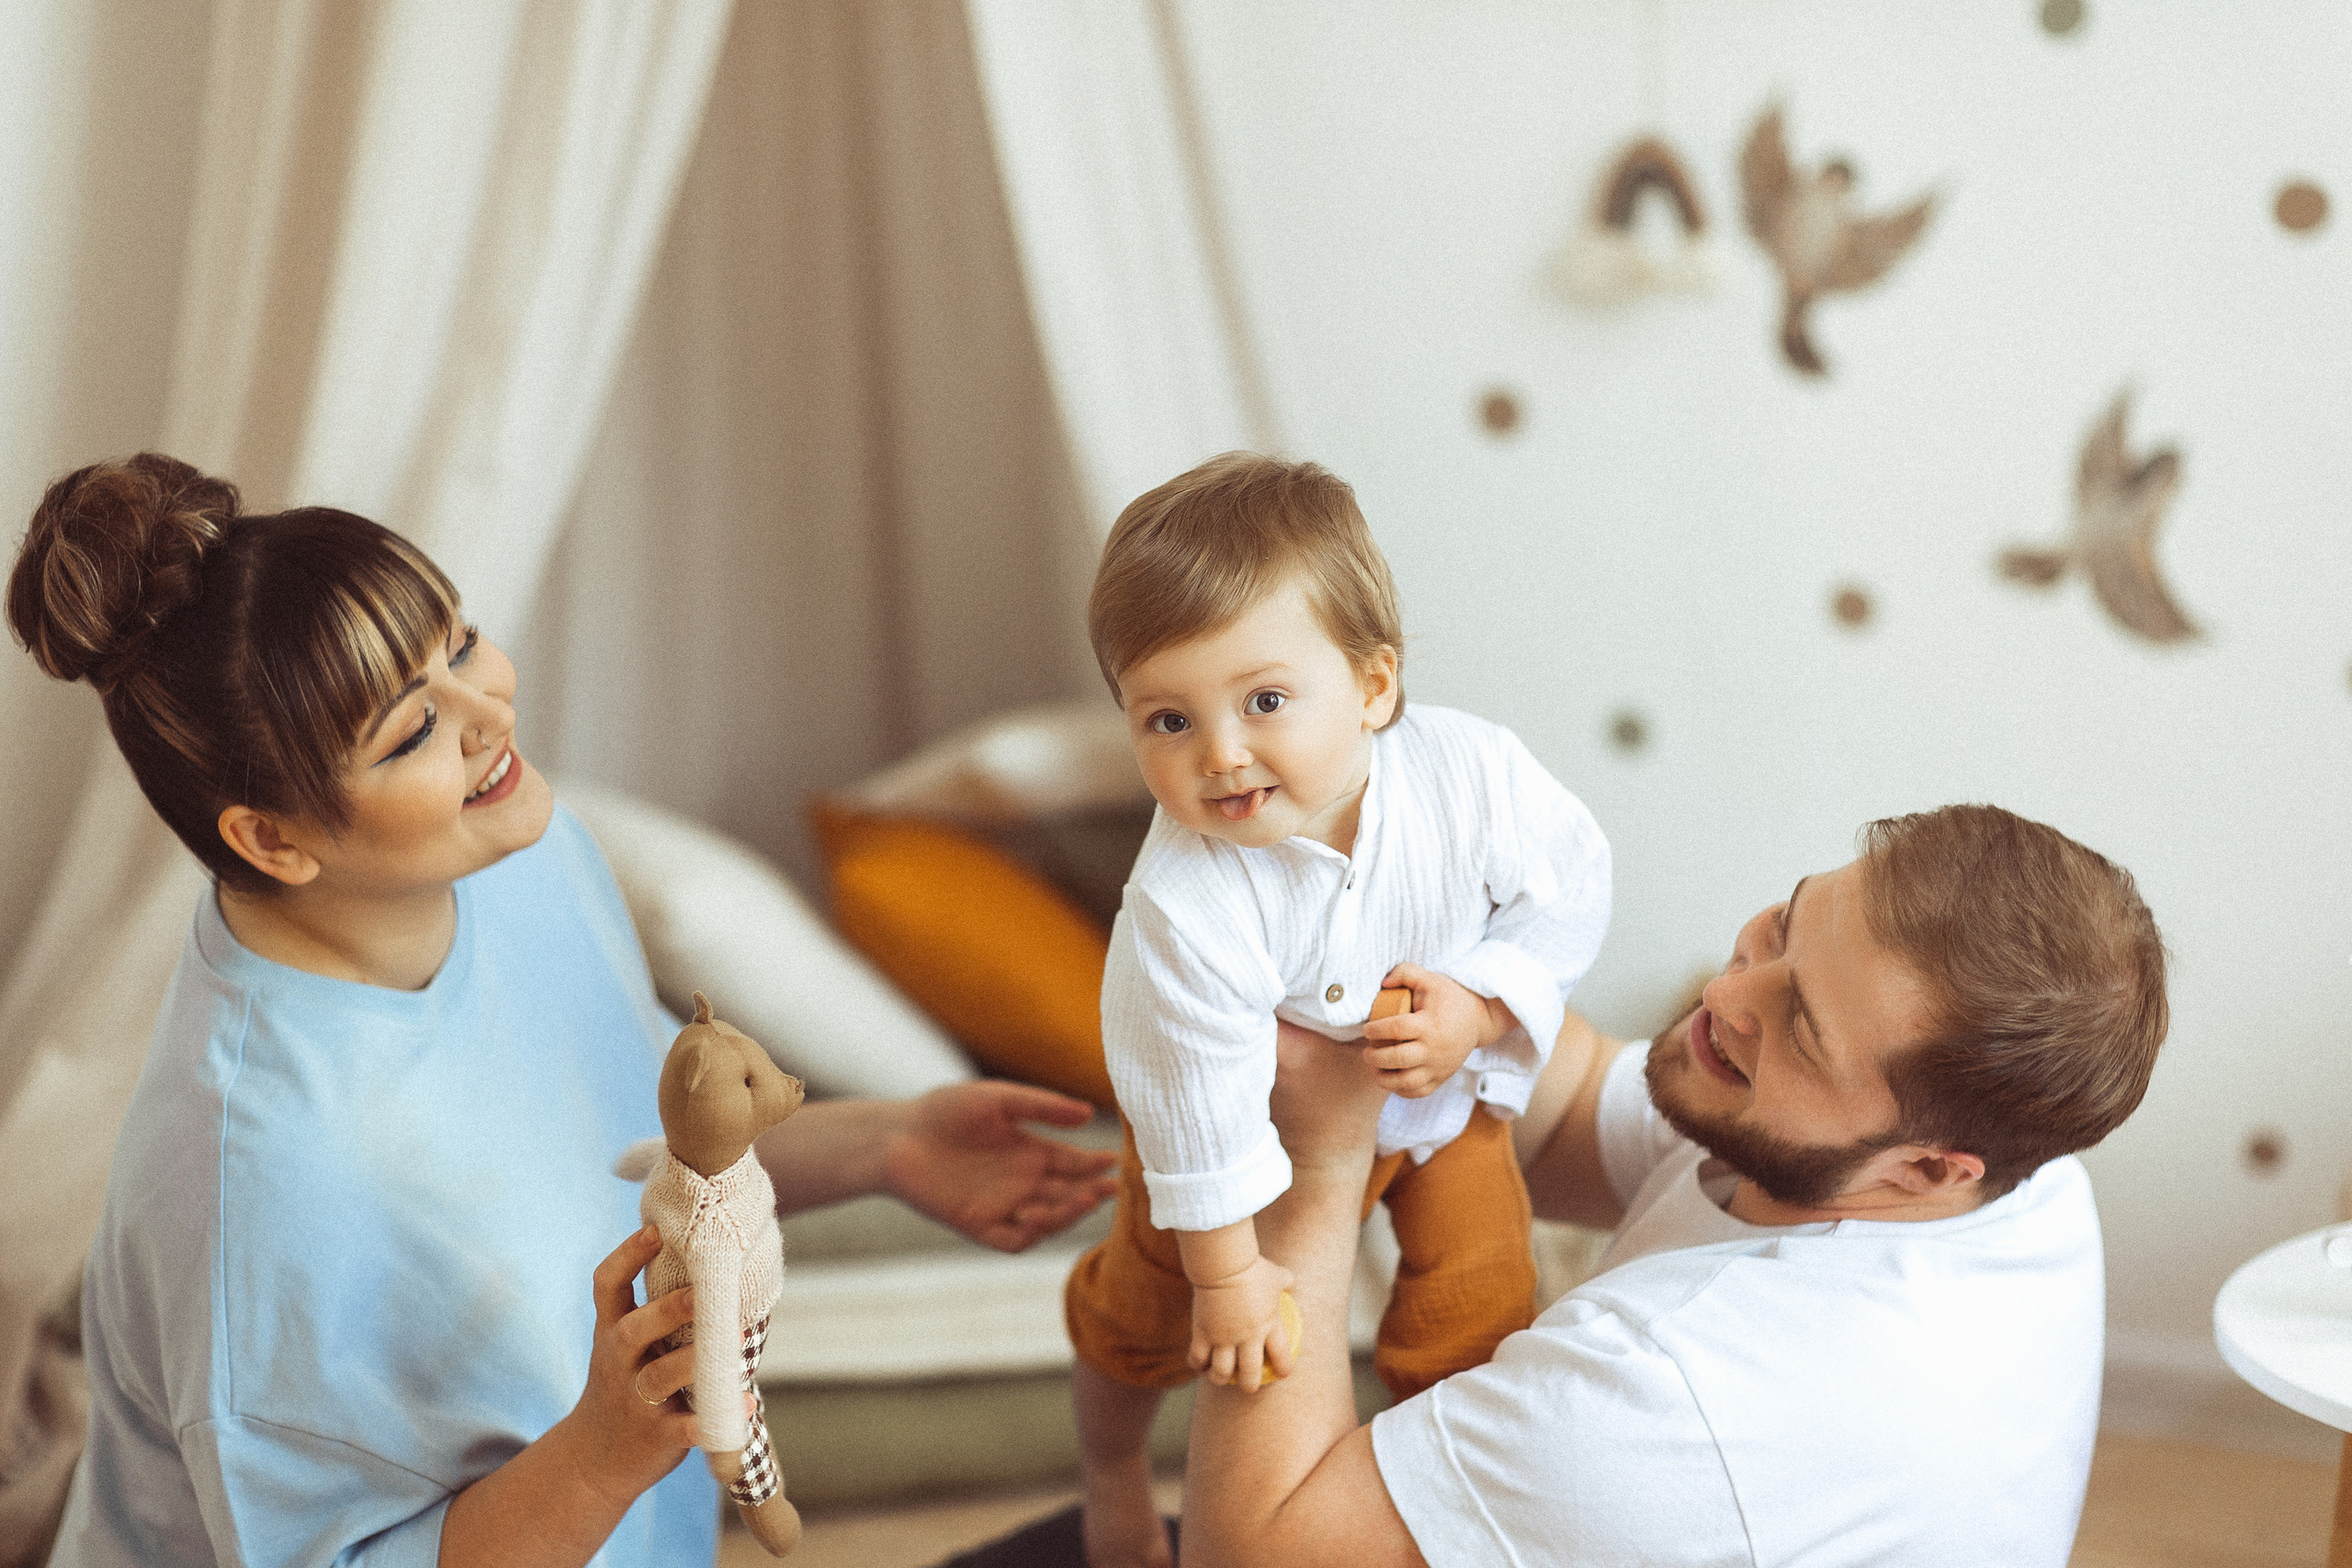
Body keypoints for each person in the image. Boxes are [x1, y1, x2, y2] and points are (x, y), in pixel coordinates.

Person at [7, 454, 1118, 1568]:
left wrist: (892, 1142)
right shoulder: (252, 1180)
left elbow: (635, 1151)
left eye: (459, 643)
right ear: (271, 839)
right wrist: (596, 1457)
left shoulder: (516, 860)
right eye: (409, 731)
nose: (487, 710)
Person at [1180, 804, 2168, 1568]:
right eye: (1784, 925)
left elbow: (1250, 1551)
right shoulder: (2016, 1176)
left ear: (1921, 1169)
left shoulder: (1678, 1393)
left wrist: (1314, 1162)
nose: (1726, 993)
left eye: (1801, 1027)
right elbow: (1562, 1108)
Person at [1064, 454, 1611, 1567]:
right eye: (1166, 720)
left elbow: (1573, 884)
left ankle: (1432, 1516)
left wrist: (1479, 1001)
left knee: (1478, 1311)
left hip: (1441, 1105)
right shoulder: (1182, 903)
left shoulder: (1473, 777)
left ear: (1372, 688)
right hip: (1233, 1150)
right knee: (1148, 1316)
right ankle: (1109, 1470)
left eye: (1264, 701)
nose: (1220, 755)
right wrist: (1227, 1275)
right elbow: (1192, 1105)